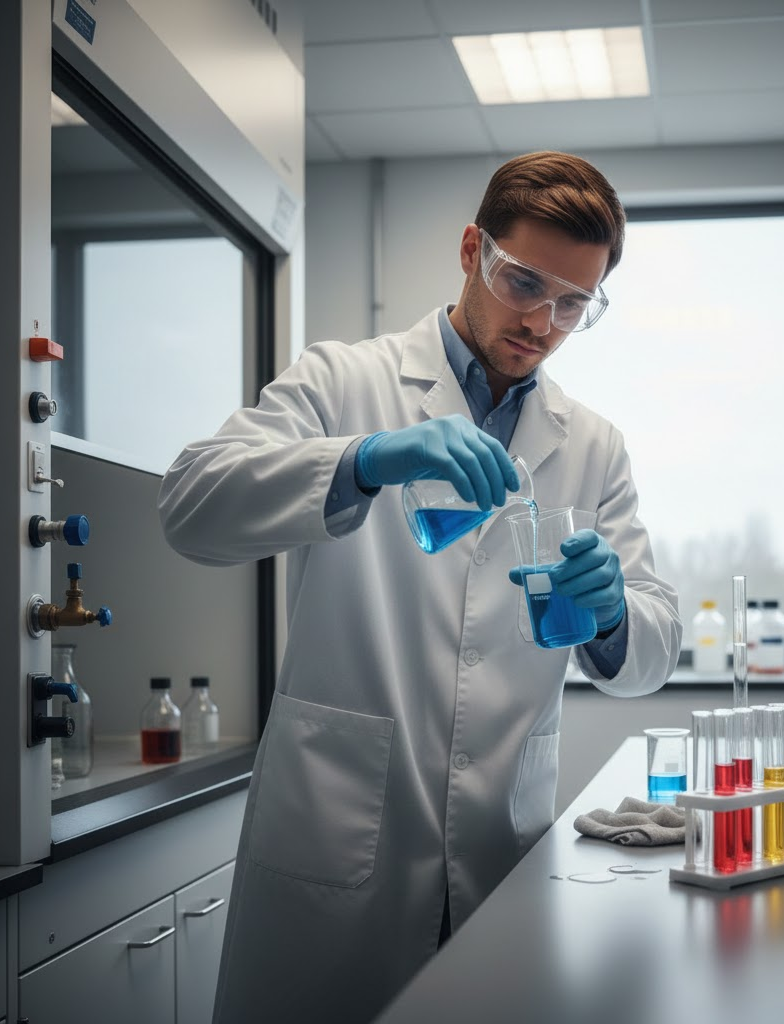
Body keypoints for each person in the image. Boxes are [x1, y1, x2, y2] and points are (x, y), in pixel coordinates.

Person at [158, 150, 682, 1024]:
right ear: (473, 248)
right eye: (525, 283)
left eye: (572, 304)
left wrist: (616, 610)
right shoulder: (344, 382)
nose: (543, 322)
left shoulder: (592, 445)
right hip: (336, 839)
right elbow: (191, 503)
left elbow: (649, 650)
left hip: (501, 844)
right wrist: (362, 460)